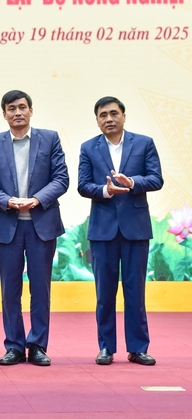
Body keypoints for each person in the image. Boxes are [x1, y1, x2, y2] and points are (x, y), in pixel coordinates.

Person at [0, 90, 69, 367]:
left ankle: (38, 345)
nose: (17, 113)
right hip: (8, 225)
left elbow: (61, 178)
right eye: (11, 109)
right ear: (4, 114)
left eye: (22, 107)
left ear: (31, 111)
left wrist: (37, 199)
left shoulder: (50, 138)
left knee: (40, 289)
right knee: (10, 289)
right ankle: (14, 346)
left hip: (42, 224)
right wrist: (6, 200)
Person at [78, 96, 163, 366]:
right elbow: (83, 185)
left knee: (135, 291)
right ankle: (106, 347)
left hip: (135, 229)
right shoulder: (88, 148)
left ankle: (138, 348)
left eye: (114, 113)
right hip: (102, 230)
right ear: (97, 120)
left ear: (124, 116)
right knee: (104, 293)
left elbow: (156, 178)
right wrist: (105, 190)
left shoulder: (144, 143)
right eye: (103, 115)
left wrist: (133, 182)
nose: (109, 119)